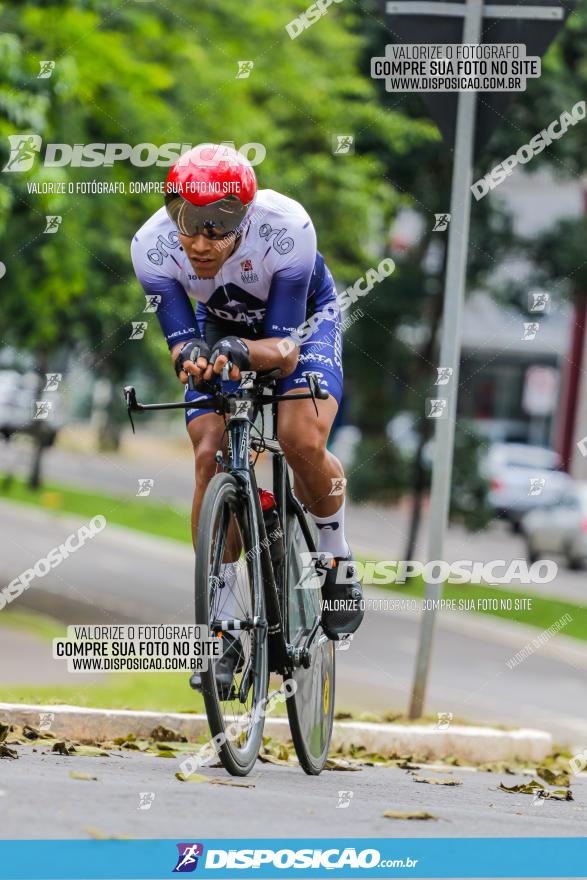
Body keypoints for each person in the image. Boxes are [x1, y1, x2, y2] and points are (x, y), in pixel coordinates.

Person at [131, 143, 363, 691]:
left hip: (300, 325)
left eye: (220, 225)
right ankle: (222, 624)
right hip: (221, 325)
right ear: (170, 211)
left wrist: (240, 351)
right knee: (209, 451)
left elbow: (282, 351)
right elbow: (182, 343)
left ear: (247, 214)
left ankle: (336, 556)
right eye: (188, 221)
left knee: (298, 437)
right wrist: (191, 357)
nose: (201, 241)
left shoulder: (287, 229)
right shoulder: (151, 247)